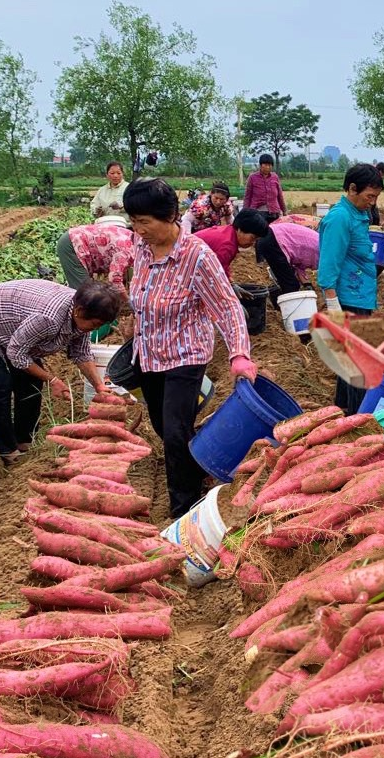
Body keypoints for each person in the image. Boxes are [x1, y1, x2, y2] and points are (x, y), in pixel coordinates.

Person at [122, 178, 259, 517]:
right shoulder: (140, 246)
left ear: (170, 216)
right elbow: (139, 285)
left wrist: (239, 354)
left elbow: (227, 307)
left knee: (174, 432)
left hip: (186, 356)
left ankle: (183, 509)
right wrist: (132, 316)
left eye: (145, 222)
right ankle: (197, 468)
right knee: (163, 427)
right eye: (133, 221)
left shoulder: (197, 257)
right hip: (148, 352)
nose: (138, 229)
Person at [0, 280, 121, 465]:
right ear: (79, 311)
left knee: (30, 381)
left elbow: (81, 353)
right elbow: (16, 353)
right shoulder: (48, 319)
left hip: (12, 326)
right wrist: (53, 379)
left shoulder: (81, 313)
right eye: (95, 324)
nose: (96, 329)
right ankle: (7, 449)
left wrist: (99, 386)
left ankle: (24, 438)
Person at [318, 163, 384, 413]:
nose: (372, 202)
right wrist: (333, 303)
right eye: (370, 196)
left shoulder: (358, 214)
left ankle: (344, 410)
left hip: (360, 295)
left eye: (376, 197)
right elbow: (328, 265)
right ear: (353, 189)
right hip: (348, 300)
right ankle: (356, 417)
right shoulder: (339, 218)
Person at [256, 220, 320, 306]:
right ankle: (287, 309)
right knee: (291, 285)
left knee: (289, 280)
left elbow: (299, 266)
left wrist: (307, 285)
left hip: (271, 237)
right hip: (275, 240)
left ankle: (279, 299)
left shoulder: (319, 245)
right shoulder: (321, 254)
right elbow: (326, 280)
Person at [191, 209, 271, 278]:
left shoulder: (229, 231)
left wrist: (231, 283)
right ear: (240, 230)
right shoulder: (227, 245)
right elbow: (216, 273)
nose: (253, 243)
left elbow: (223, 266)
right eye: (253, 238)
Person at [56, 223, 134, 291]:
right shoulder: (128, 251)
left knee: (87, 291)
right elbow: (114, 279)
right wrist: (128, 301)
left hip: (76, 240)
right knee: (83, 292)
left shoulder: (135, 238)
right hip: (73, 243)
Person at [244, 154, 285, 222]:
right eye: (265, 165)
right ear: (260, 165)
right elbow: (247, 197)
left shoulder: (275, 177)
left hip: (274, 212)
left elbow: (280, 196)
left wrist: (284, 210)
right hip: (258, 213)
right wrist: (245, 212)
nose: (268, 167)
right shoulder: (252, 177)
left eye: (270, 165)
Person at [91, 162, 130, 228]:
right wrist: (97, 210)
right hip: (106, 227)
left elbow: (137, 206)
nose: (115, 176)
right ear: (107, 175)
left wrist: (121, 207)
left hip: (125, 227)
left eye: (118, 173)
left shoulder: (129, 188)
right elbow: (94, 205)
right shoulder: (102, 190)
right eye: (112, 173)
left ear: (122, 174)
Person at [368, 162, 384, 226]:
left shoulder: (378, 179)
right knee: (370, 219)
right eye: (383, 173)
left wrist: (374, 204)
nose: (383, 176)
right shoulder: (369, 178)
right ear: (379, 171)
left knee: (376, 218)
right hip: (368, 203)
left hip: (373, 204)